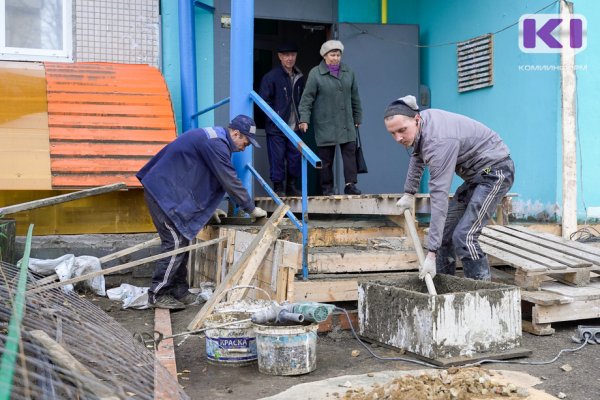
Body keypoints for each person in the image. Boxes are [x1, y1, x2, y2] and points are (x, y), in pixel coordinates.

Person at [136, 115, 268, 309]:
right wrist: (250, 208)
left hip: (169, 192)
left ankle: (179, 290)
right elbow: (228, 179)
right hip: (162, 193)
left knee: (183, 240)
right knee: (174, 244)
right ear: (236, 133)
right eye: (246, 141)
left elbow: (202, 178)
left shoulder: (216, 140)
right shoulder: (216, 144)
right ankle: (158, 294)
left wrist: (209, 210)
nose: (246, 146)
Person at [384, 95, 514, 281]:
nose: (398, 138)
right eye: (392, 133)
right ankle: (445, 291)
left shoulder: (439, 141)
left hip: (495, 171)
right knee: (445, 234)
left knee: (464, 236)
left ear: (416, 120)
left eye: (402, 130)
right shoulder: (423, 124)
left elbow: (439, 197)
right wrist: (409, 192)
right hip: (476, 177)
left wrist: (431, 254)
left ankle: (482, 295)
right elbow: (417, 156)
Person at [298, 39, 363, 196]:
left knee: (350, 155)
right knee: (326, 158)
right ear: (325, 56)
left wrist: (357, 117)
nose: (336, 58)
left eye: (338, 55)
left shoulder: (349, 72)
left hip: (346, 122)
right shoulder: (315, 73)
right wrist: (304, 119)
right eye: (332, 55)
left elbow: (355, 97)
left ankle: (350, 185)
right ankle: (327, 188)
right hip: (325, 122)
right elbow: (307, 99)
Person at [258, 42, 304, 197]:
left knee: (295, 157)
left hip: (295, 126)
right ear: (280, 57)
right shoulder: (271, 77)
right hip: (277, 126)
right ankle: (278, 188)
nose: (290, 58)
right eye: (286, 55)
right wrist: (274, 119)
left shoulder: (299, 76)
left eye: (292, 55)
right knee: (277, 158)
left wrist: (303, 119)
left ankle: (291, 186)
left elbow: (303, 100)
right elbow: (264, 102)